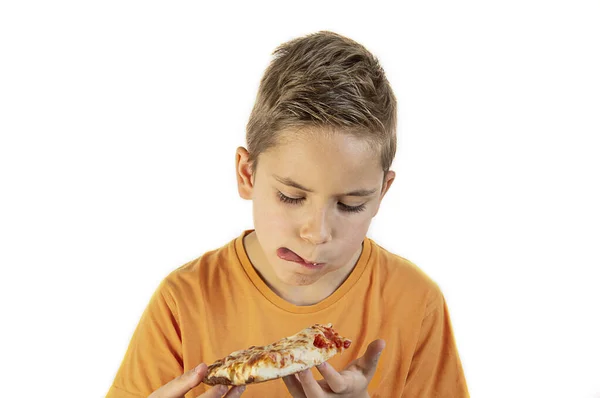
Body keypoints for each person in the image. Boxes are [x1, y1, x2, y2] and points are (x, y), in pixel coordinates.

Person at [105, 31, 469, 398]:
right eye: (291, 196)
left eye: (350, 205)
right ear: (247, 174)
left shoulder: (414, 302)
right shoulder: (183, 302)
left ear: (381, 195)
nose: (317, 233)